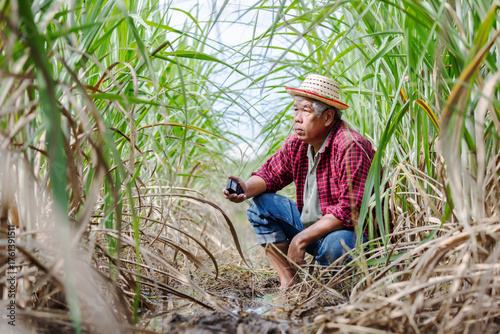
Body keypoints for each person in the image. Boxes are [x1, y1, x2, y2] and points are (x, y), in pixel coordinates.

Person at [222, 74, 375, 289]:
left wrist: (300, 239)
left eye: (306, 110)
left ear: (328, 117)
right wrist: (244, 189)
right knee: (259, 205)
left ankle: (339, 286)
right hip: (313, 230)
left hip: (352, 236)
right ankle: (289, 283)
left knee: (336, 244)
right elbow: (269, 174)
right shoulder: (299, 143)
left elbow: (351, 210)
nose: (297, 118)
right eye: (296, 109)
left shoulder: (350, 146)